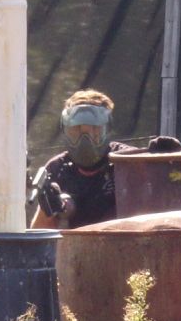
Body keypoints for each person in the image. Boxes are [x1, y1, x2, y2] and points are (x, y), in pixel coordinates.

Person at [29, 89, 132, 230]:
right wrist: (49, 208)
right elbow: (40, 233)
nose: (85, 140)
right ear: (65, 131)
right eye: (76, 131)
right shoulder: (57, 169)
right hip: (75, 243)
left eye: (94, 130)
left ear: (107, 129)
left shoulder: (126, 161)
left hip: (121, 240)